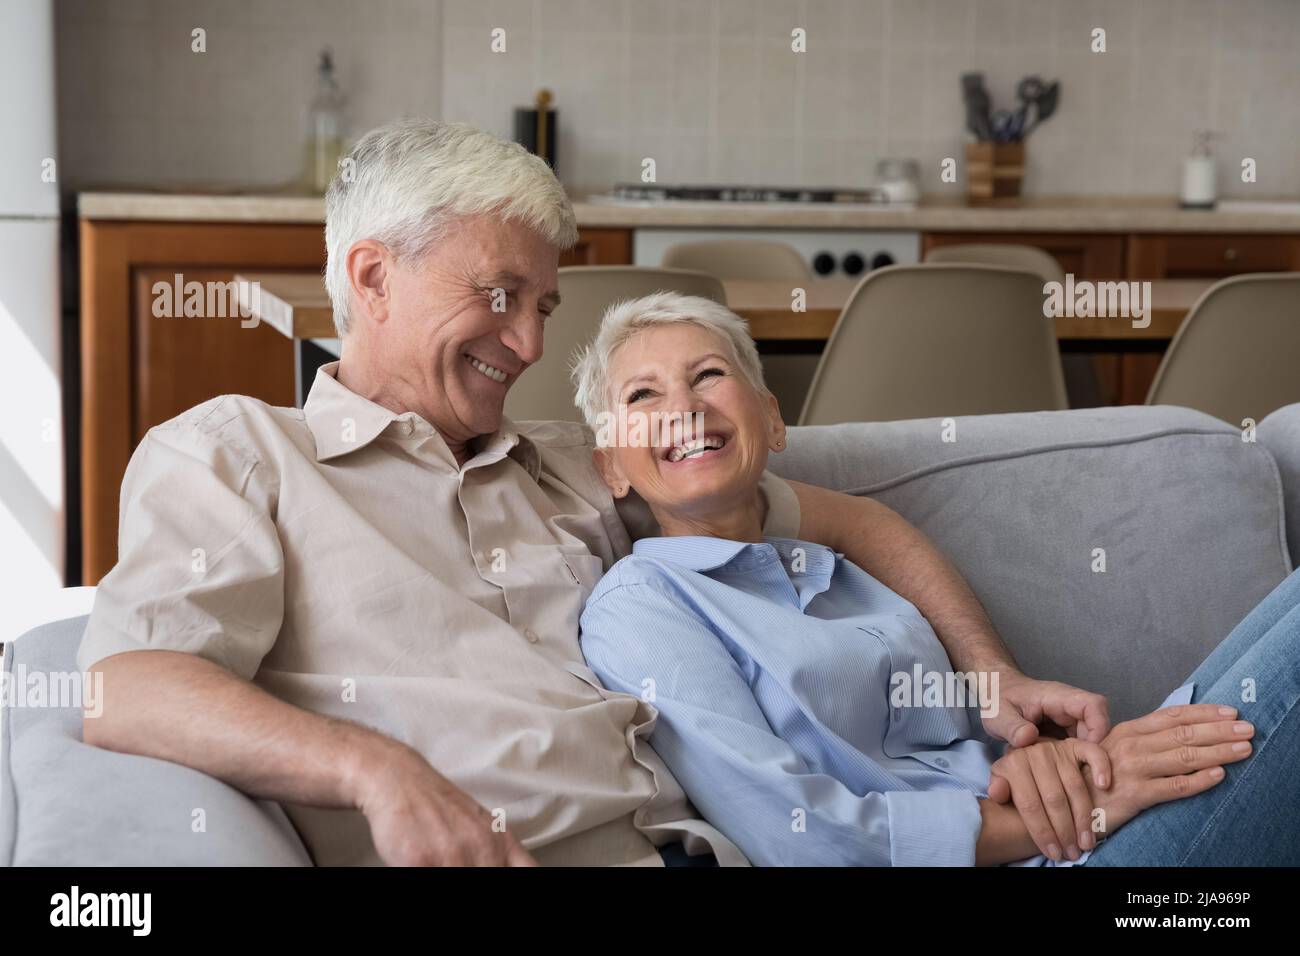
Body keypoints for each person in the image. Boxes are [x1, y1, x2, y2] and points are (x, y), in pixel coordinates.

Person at [79, 120, 1108, 867]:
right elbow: (124, 684)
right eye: (498, 297)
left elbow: (863, 519)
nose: (529, 344)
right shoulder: (240, 455)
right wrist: (375, 771)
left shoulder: (593, 457)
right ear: (374, 277)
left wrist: (989, 677)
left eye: (542, 305)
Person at [575, 292, 1299, 866]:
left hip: (1070, 815)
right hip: (1053, 845)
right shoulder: (645, 605)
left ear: (771, 421)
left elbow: (869, 532)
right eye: (643, 397)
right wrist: (1096, 795)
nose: (685, 408)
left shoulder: (834, 567)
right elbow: (800, 836)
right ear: (612, 465)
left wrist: (1048, 757)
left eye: (708, 375)